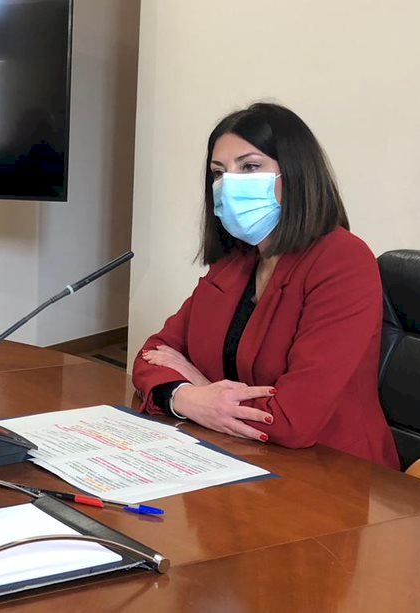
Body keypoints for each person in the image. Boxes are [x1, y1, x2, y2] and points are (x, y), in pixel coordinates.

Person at [132, 102, 399, 469]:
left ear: (296, 172)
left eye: (250, 167)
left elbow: (293, 420)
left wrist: (201, 387)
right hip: (235, 455)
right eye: (219, 172)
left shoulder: (343, 260)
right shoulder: (236, 261)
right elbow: (152, 354)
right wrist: (187, 397)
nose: (229, 184)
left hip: (332, 471)